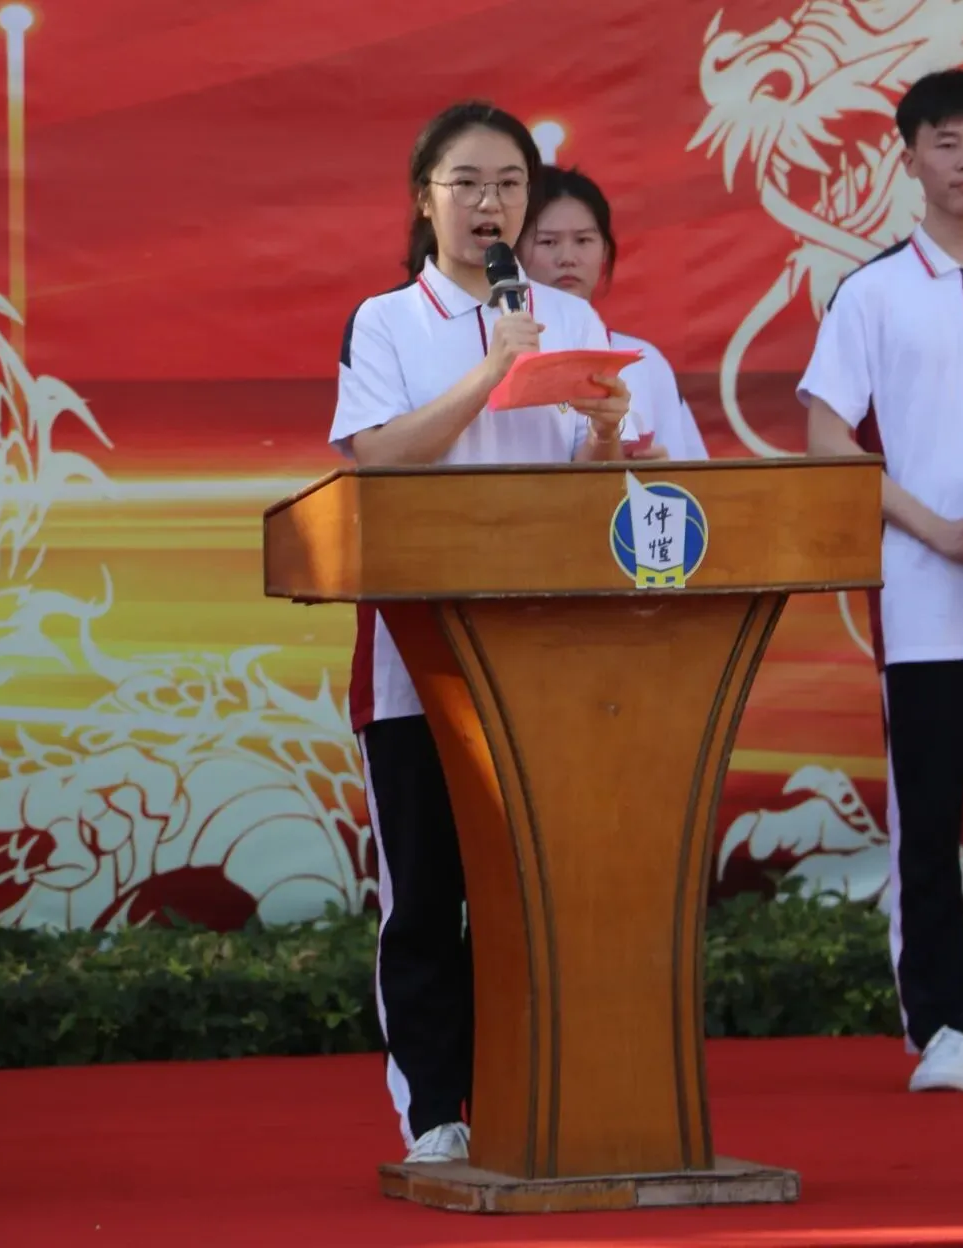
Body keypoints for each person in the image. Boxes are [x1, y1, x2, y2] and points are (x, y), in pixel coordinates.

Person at [328, 101, 632, 1163]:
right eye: (466, 183)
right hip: (422, 657)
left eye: (509, 182)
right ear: (427, 198)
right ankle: (435, 1114)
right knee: (431, 892)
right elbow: (380, 456)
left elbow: (593, 496)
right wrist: (490, 370)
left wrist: (600, 440)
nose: (490, 203)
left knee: (533, 890)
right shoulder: (387, 320)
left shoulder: (573, 319)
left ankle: (532, 1090)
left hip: (544, 655)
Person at [797, 69, 963, 1094]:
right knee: (930, 814)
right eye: (946, 143)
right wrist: (934, 531)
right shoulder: (872, 293)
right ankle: (939, 1025)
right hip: (921, 599)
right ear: (909, 158)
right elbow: (825, 438)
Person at [518, 164, 709, 460]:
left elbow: (693, 477)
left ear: (605, 251)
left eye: (583, 240)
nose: (567, 258)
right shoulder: (497, 355)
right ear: (515, 252)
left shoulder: (645, 362)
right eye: (548, 242)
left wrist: (664, 476)